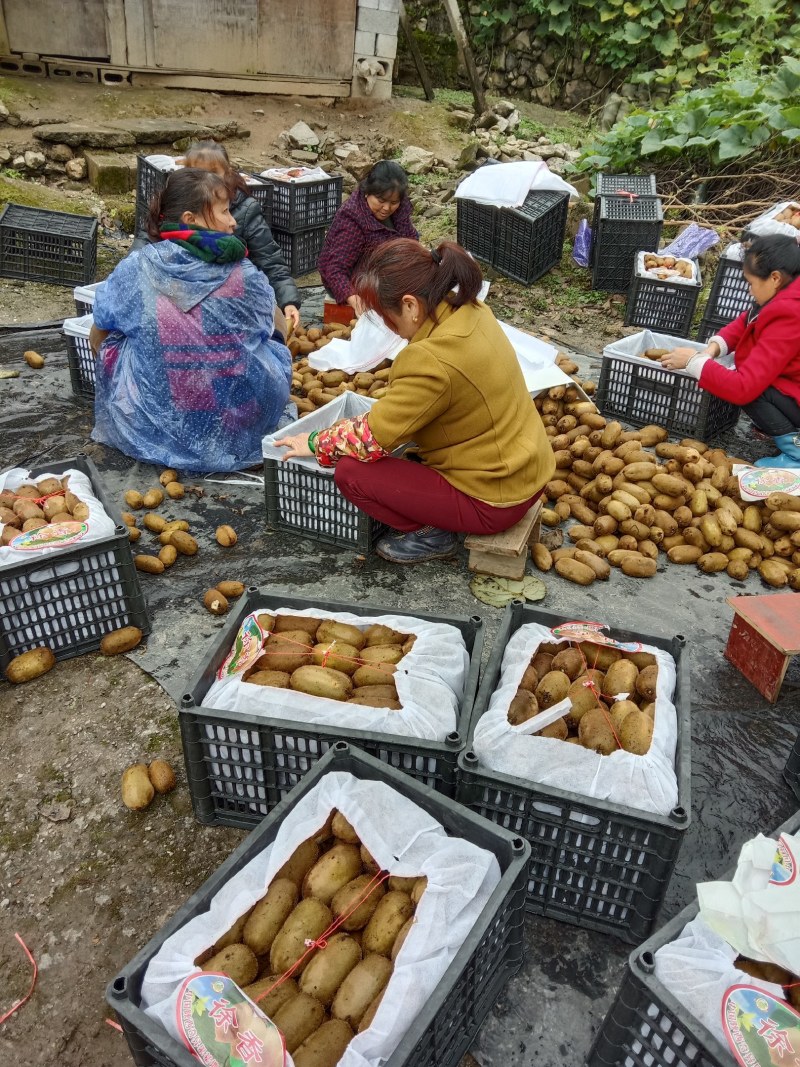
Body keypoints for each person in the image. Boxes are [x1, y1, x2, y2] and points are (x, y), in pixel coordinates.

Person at [275, 239, 555, 564]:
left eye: (386, 316)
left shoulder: (428, 359)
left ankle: (432, 535)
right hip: (529, 473)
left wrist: (313, 441)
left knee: (351, 473)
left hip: (493, 502)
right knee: (404, 454)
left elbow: (371, 438)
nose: (389, 327)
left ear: (410, 305)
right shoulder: (470, 309)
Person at [90, 168, 292, 472]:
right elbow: (276, 330)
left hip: (152, 426)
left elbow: (98, 336)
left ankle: (158, 413)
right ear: (190, 218)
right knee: (273, 340)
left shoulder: (139, 267)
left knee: (116, 335)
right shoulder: (244, 273)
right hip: (236, 427)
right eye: (224, 211)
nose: (233, 221)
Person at [661, 234, 800, 468]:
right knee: (741, 374)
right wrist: (714, 347)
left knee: (751, 389)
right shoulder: (785, 290)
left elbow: (743, 389)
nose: (748, 290)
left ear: (774, 278)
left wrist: (694, 362)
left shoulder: (790, 313)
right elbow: (748, 321)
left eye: (751, 282)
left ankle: (795, 452)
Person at [181, 140, 301, 333]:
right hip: (182, 300)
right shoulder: (174, 204)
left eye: (213, 173)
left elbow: (269, 258)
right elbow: (145, 245)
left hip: (229, 304)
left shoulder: (245, 209)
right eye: (196, 173)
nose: (205, 180)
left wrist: (288, 301)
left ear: (227, 173)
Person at [317, 160, 419, 317]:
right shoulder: (352, 218)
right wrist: (353, 298)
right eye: (381, 200)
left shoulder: (400, 208)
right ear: (367, 192)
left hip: (384, 271)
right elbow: (335, 270)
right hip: (352, 279)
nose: (386, 208)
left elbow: (410, 238)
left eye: (393, 202)